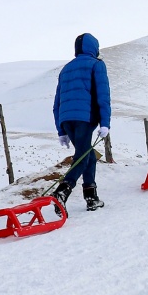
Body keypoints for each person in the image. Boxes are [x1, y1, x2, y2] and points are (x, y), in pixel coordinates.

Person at [51, 33, 112, 209]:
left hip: (66, 118)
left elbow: (57, 102)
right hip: (84, 118)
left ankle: (91, 196)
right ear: (94, 48)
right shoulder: (96, 64)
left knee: (88, 154)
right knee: (83, 156)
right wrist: (105, 123)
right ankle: (63, 190)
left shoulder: (66, 69)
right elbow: (103, 95)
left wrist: (61, 130)